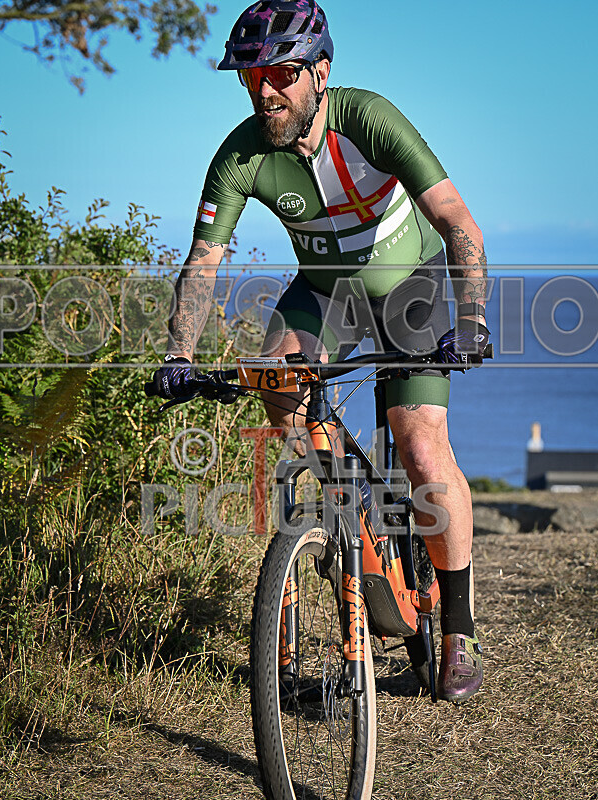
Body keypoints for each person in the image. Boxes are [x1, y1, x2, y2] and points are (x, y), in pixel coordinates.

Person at [151, 0, 489, 703]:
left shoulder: (369, 119)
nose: (265, 90)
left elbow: (456, 219)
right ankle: (348, 512)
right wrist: (178, 355)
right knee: (278, 386)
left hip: (411, 286)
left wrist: (474, 319)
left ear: (320, 72)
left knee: (421, 447)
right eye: (252, 76)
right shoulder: (242, 154)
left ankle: (458, 629)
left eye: (281, 73)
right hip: (325, 293)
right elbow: (203, 261)